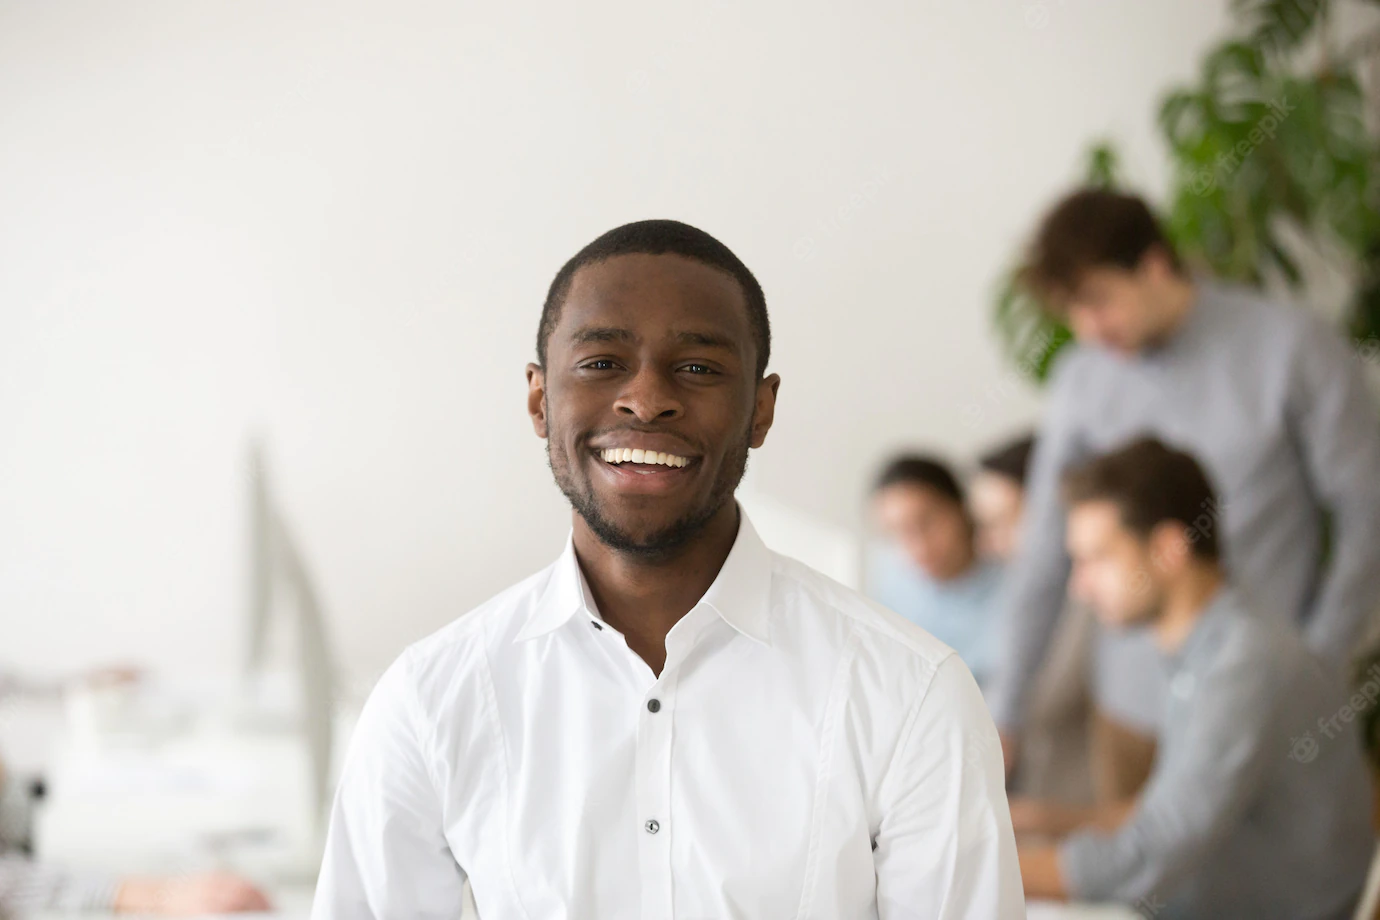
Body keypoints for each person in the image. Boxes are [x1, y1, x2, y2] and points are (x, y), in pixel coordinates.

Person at [312, 220, 1023, 919]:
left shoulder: (910, 692)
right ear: (539, 400)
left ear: (761, 411)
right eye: (601, 363)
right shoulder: (432, 699)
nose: (647, 399)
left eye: (698, 368)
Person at [992, 188, 1380, 799]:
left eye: (1099, 299)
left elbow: (1367, 514)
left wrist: (1318, 669)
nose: (1090, 328)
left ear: (1154, 265)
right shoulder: (1083, 381)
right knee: (1131, 889)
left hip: (1263, 704)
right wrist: (1006, 707)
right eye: (1073, 309)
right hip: (1128, 711)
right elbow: (1045, 546)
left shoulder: (1291, 348)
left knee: (1266, 892)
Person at [1015, 437, 1375, 919]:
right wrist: (1043, 819)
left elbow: (1149, 854)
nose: (1079, 587)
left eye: (1096, 558)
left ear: (1167, 549)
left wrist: (969, 866)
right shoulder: (1211, 643)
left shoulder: (1243, 665)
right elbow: (1167, 811)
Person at [971, 435, 1093, 805]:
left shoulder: (1091, 605)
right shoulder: (1011, 595)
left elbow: (1041, 701)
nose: (987, 545)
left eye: (1003, 521)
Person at [868, 454, 1004, 688]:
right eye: (897, 532)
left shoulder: (1011, 577)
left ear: (962, 510)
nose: (918, 547)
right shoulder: (890, 576)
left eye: (927, 521)